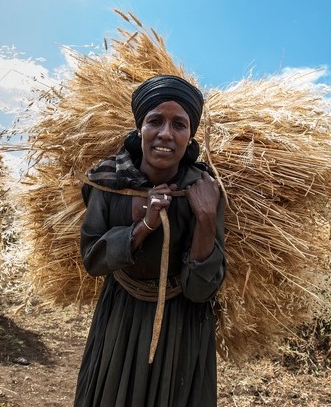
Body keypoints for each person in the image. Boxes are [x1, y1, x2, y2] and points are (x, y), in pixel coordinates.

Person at [74, 75, 226, 406]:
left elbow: (201, 290)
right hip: (120, 318)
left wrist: (205, 219)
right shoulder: (108, 181)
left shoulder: (204, 190)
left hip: (182, 326)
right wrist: (145, 224)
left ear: (190, 136)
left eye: (179, 125)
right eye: (155, 121)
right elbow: (93, 258)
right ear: (139, 128)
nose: (166, 134)